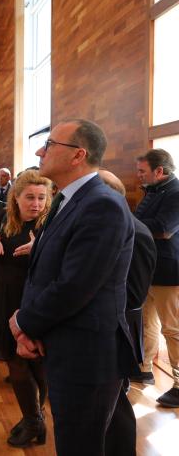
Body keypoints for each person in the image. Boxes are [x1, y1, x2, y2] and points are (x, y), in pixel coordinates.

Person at [8, 119, 138, 455]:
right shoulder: (69, 201)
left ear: (78, 155)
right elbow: (43, 272)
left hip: (88, 355)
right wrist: (30, 332)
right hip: (67, 346)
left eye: (50, 144)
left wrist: (24, 322)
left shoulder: (102, 205)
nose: (40, 150)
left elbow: (75, 286)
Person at [0, 170, 51, 447]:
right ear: (16, 198)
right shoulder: (3, 218)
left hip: (36, 297)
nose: (36, 204)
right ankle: (34, 419)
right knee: (16, 361)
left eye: (42, 198)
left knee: (38, 363)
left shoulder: (50, 223)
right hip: (4, 295)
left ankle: (35, 418)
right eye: (30, 197)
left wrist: (40, 250)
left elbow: (66, 263)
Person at [99, 169, 157, 456]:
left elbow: (133, 292)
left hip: (120, 323)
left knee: (114, 401)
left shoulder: (135, 231)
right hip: (116, 320)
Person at [132, 148, 179, 408]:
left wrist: (128, 222)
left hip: (169, 271)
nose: (139, 176)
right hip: (147, 268)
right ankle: (144, 368)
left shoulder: (176, 192)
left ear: (159, 171)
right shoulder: (153, 191)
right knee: (147, 322)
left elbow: (163, 229)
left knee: (172, 329)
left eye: (142, 171)